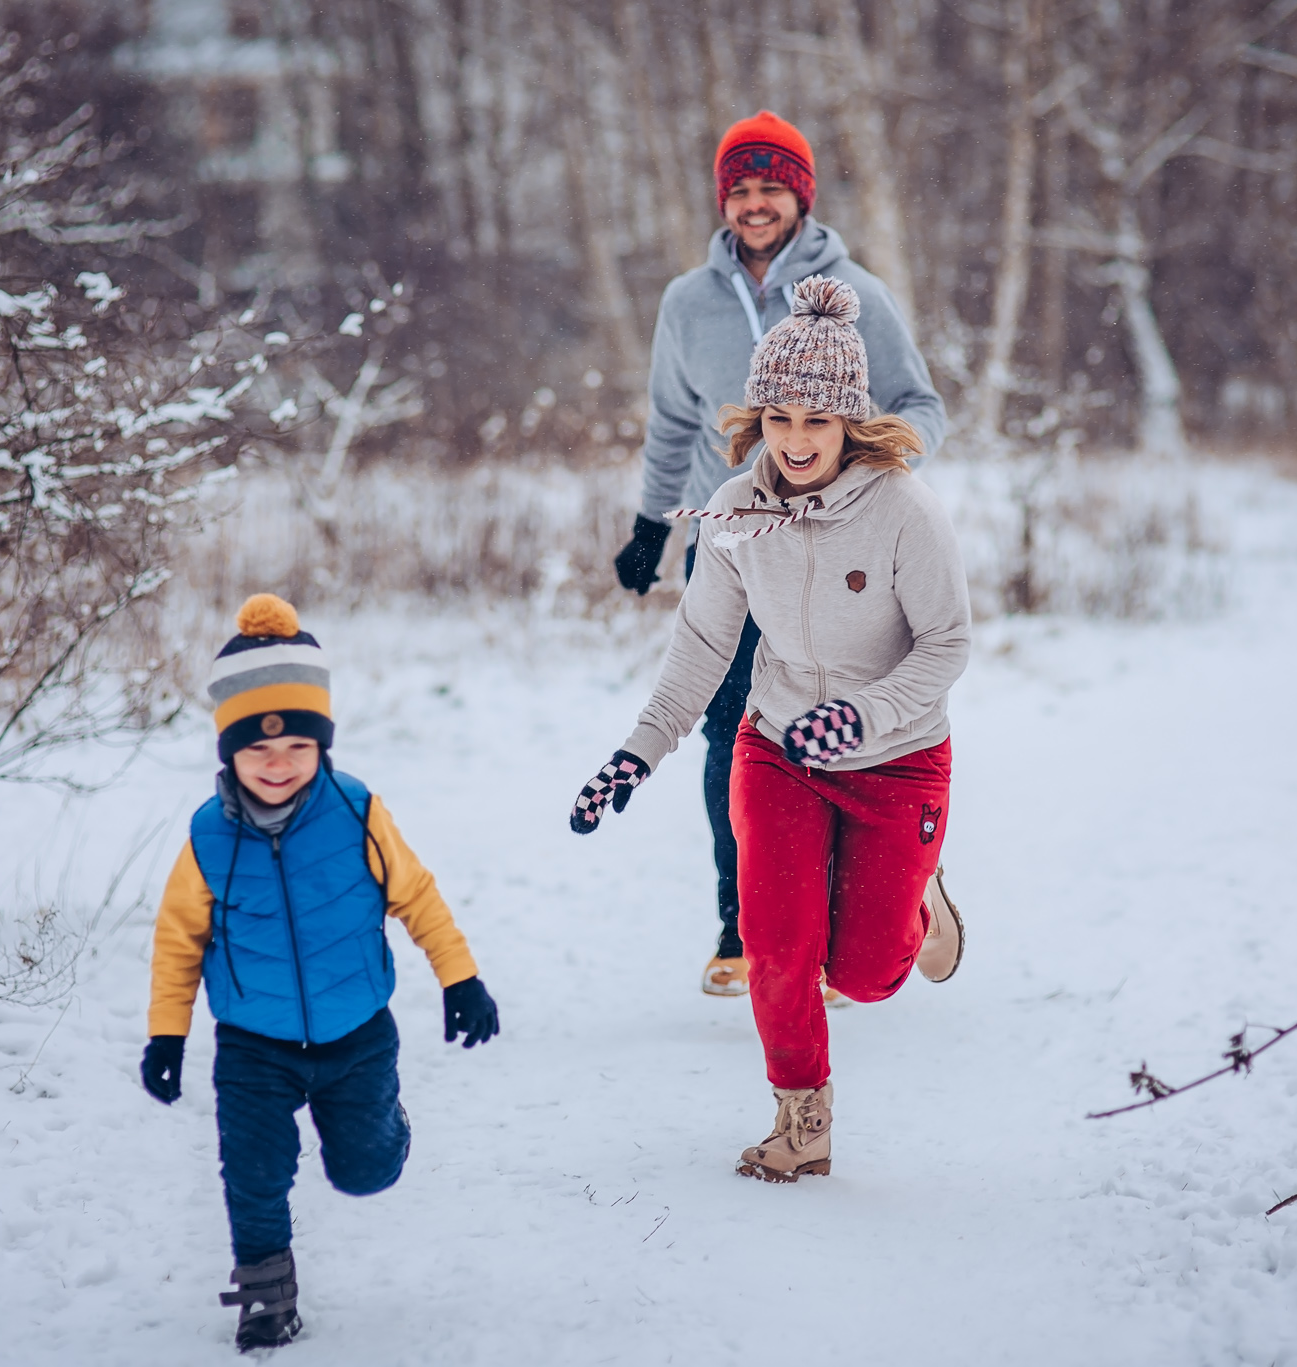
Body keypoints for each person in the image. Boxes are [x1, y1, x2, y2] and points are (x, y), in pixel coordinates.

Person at [574, 277, 967, 1182]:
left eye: (816, 422)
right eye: (780, 418)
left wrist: (864, 712)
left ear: (849, 425)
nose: (796, 440)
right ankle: (802, 1122)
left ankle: (919, 901)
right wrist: (638, 751)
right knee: (775, 946)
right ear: (759, 419)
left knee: (866, 974)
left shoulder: (906, 511)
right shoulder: (735, 514)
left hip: (898, 756)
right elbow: (704, 644)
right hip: (780, 748)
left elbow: (948, 645)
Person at [612, 110, 947, 999]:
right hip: (728, 538)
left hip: (846, 537)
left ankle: (882, 893)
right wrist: (653, 523)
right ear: (723, 200)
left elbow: (920, 402)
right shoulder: (685, 302)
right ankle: (743, 921)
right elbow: (674, 424)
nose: (755, 204)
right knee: (736, 730)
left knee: (845, 717)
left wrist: (879, 470)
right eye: (740, 189)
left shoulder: (857, 294)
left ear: (801, 196)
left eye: (771, 187)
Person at [139, 593, 499, 1351]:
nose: (279, 764)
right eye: (258, 749)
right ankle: (266, 1295)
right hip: (252, 1045)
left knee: (364, 1173)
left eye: (298, 747)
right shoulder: (208, 837)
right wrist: (167, 1035)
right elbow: (178, 941)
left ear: (323, 745)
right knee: (254, 1172)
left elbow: (418, 896)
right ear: (228, 750)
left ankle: (384, 1132)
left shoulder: (357, 811)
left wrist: (459, 977)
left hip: (357, 1034)